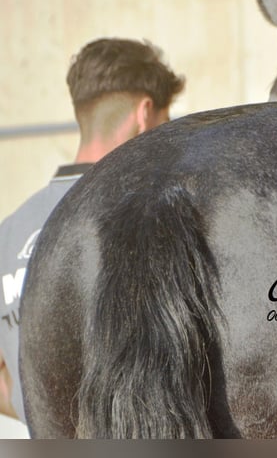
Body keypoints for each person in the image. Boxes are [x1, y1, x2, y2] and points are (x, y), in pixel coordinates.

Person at [0, 37, 185, 424]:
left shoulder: (8, 234)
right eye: (166, 123)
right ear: (145, 113)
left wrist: (44, 417)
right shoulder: (141, 216)